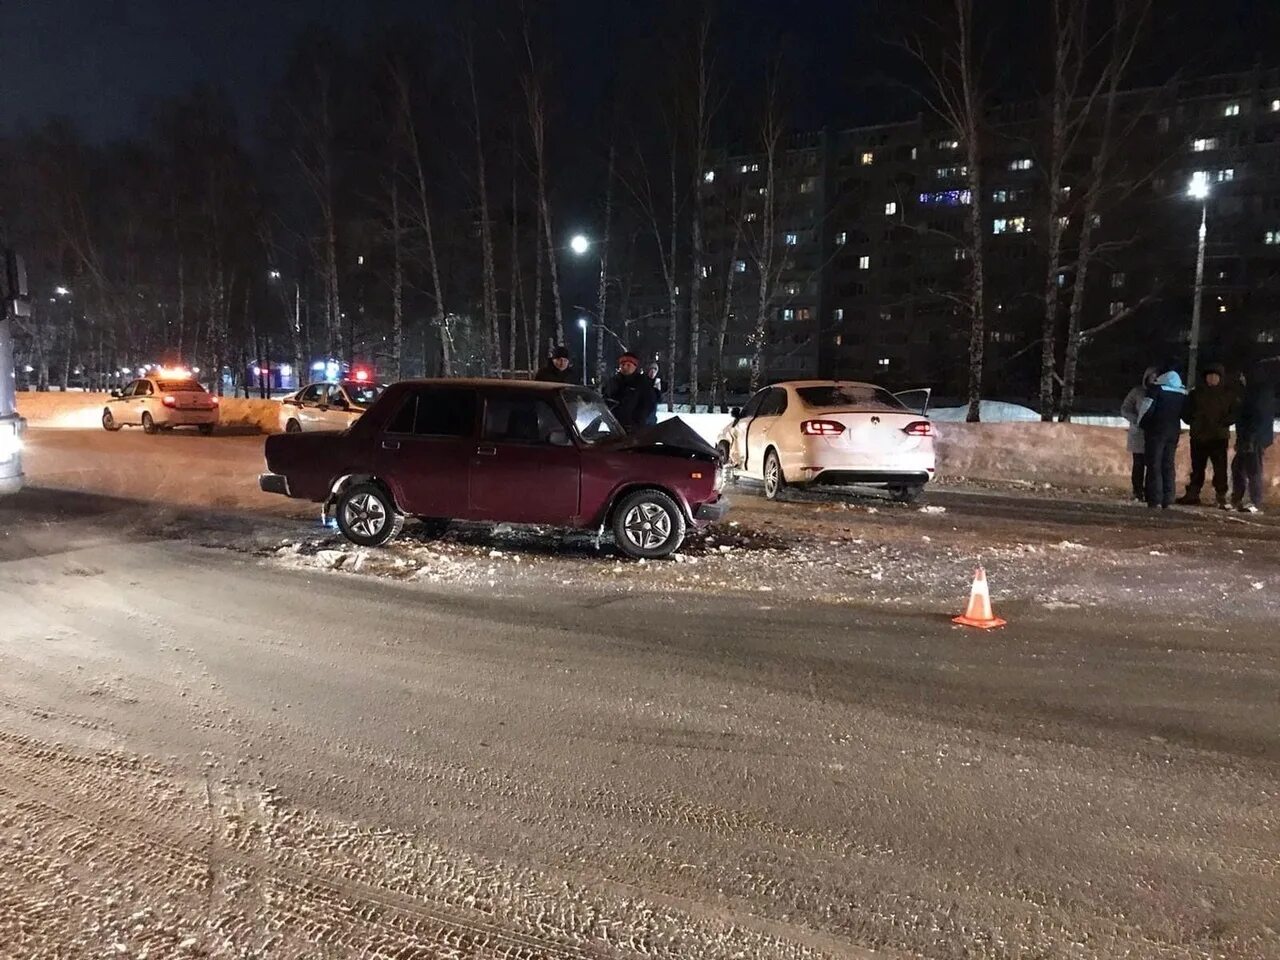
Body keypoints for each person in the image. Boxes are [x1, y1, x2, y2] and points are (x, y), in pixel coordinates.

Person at [1176, 363, 1239, 507]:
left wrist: (1224, 422)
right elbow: (1185, 410)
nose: (1212, 379)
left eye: (1215, 376)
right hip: (1199, 436)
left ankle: (1221, 495)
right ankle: (1193, 494)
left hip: (1218, 437)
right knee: (1197, 468)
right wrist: (1192, 421)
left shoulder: (1228, 394)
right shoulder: (1196, 393)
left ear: (1220, 378)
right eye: (1209, 376)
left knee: (1220, 469)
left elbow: (1235, 413)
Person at [1138, 363, 1189, 510]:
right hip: (1173, 432)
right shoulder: (1182, 393)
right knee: (1168, 464)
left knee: (1154, 464)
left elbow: (1146, 409)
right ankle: (1168, 497)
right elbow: (1186, 415)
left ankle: (1155, 498)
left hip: (1155, 432)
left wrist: (1143, 424)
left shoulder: (1156, 390)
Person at [1230, 364, 1276, 514]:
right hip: (1249, 437)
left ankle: (1253, 502)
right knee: (1238, 468)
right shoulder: (1253, 392)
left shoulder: (1259, 394)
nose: (1241, 378)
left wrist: (1250, 438)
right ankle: (1238, 500)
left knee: (1252, 469)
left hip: (1254, 438)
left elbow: (1258, 418)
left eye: (1244, 375)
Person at [1120, 366, 1159, 502]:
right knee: (1138, 465)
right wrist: (1137, 420)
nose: (1154, 379)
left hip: (1154, 434)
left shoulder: (1161, 393)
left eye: (1156, 376)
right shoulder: (1137, 392)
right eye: (1152, 376)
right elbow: (1125, 409)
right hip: (1138, 434)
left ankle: (1150, 491)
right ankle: (1137, 491)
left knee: (1152, 464)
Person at [604, 351, 657, 430]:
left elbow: (648, 406)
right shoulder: (613, 382)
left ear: (635, 367)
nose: (625, 367)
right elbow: (605, 401)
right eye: (622, 364)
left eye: (628, 365)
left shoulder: (642, 383)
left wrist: (637, 422)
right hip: (616, 428)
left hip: (638, 429)